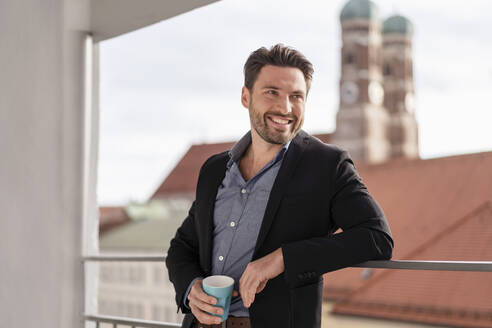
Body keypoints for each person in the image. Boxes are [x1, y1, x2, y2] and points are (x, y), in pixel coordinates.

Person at [166, 44, 394, 328]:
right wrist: (191, 288)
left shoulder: (327, 165)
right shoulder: (214, 169)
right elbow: (181, 246)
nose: (285, 108)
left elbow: (377, 238)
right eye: (272, 92)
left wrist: (283, 258)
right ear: (245, 96)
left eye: (296, 96)